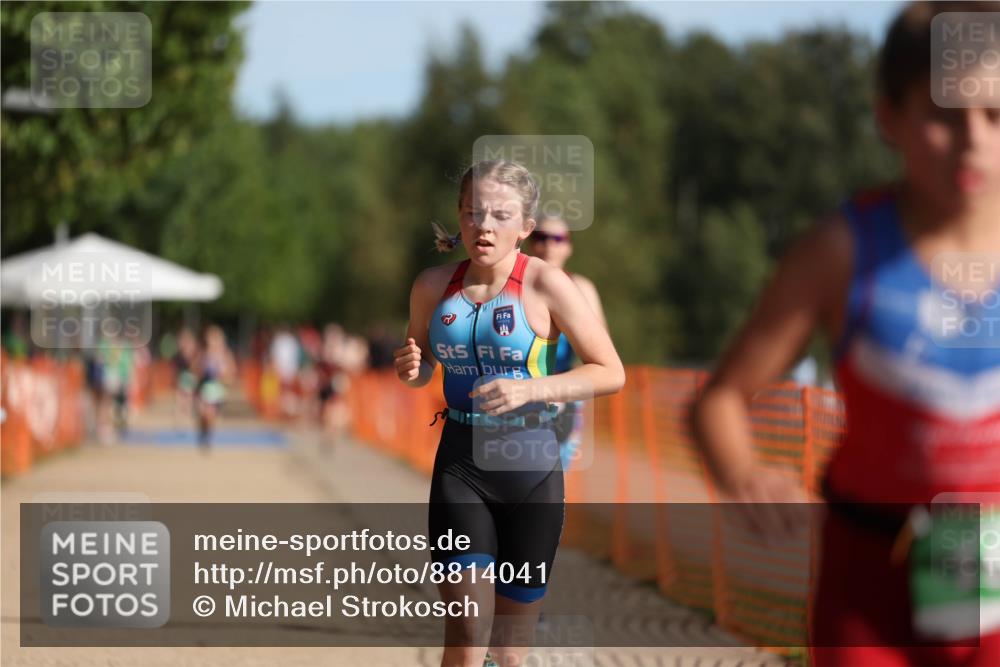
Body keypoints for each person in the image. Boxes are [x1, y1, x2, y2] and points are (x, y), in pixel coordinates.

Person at [691, 3, 1000, 665]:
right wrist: (743, 469)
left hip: (982, 555)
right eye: (944, 115)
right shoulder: (841, 249)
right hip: (869, 563)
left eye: (996, 116)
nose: (973, 140)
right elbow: (718, 400)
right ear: (889, 116)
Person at [395, 160, 625, 667]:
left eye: (501, 214)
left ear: (525, 226)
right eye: (474, 212)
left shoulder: (548, 285)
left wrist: (534, 389)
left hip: (532, 470)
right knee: (467, 630)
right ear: (459, 216)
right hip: (461, 468)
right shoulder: (432, 287)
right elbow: (420, 369)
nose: (485, 225)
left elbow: (610, 371)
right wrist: (412, 364)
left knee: (509, 651)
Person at [528, 215, 608, 470]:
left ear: (568, 247)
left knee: (550, 483)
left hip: (561, 395)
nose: (549, 244)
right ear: (530, 241)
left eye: (558, 238)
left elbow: (600, 359)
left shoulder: (581, 287)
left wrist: (564, 390)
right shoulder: (512, 285)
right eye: (541, 237)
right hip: (514, 393)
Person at [193, 325, 236, 450]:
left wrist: (223, 375)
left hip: (217, 390)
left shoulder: (225, 354)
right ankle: (203, 432)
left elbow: (231, 372)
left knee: (209, 415)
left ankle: (208, 437)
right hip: (203, 388)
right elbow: (194, 369)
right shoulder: (203, 353)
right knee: (203, 415)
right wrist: (200, 372)